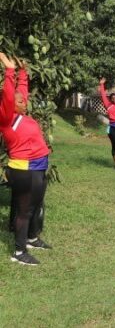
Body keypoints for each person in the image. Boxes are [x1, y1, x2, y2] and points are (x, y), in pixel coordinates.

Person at [0, 53, 52, 266]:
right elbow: (10, 94)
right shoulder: (6, 118)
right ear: (12, 104)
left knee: (36, 204)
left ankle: (31, 238)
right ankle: (19, 252)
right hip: (24, 170)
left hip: (38, 166)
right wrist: (10, 71)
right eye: (20, 100)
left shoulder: (22, 114)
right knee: (24, 210)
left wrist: (22, 72)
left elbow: (21, 91)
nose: (25, 101)